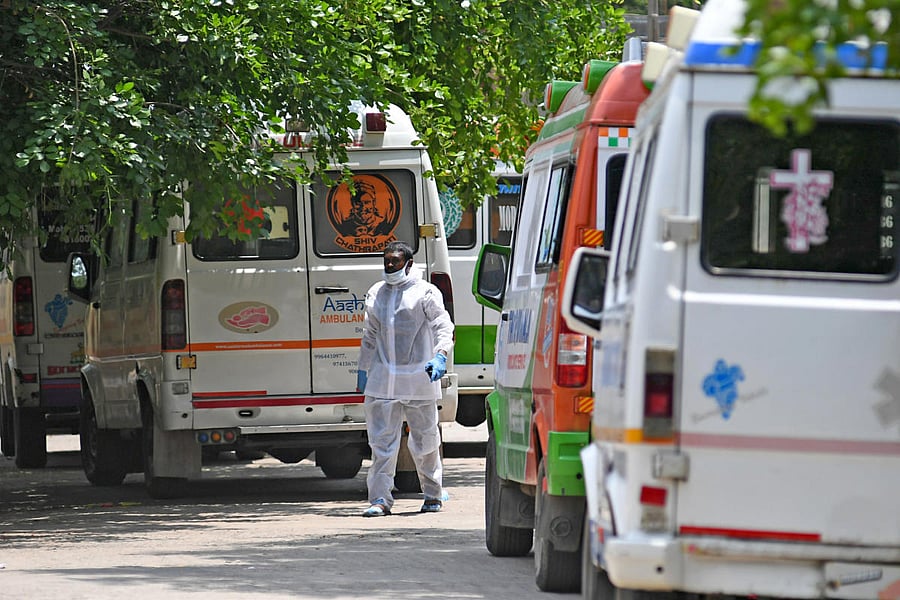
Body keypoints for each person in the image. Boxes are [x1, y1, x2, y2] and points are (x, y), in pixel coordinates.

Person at [356, 240, 454, 516]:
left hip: (418, 377)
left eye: (395, 261)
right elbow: (370, 335)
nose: (389, 266)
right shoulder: (377, 293)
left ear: (409, 263)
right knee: (381, 445)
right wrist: (363, 369)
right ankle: (380, 500)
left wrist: (440, 355)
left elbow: (442, 326)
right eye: (386, 261)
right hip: (383, 378)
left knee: (425, 443)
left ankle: (432, 495)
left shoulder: (425, 292)